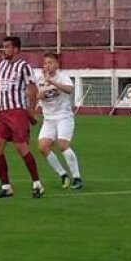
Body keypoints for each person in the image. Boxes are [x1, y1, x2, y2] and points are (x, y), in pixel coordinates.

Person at [0, 36, 43, 199]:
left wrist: (32, 111)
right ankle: (6, 186)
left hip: (17, 111)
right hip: (3, 111)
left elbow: (32, 89)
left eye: (8, 47)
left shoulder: (24, 66)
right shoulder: (2, 64)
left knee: (20, 146)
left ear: (16, 49)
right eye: (4, 46)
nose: (5, 50)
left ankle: (37, 183)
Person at [34, 53, 82, 190]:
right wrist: (38, 96)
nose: (47, 66)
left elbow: (69, 89)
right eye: (45, 63)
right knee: (43, 147)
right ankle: (63, 174)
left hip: (63, 116)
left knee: (62, 144)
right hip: (48, 119)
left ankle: (77, 177)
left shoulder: (62, 77)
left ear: (57, 64)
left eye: (50, 63)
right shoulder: (38, 78)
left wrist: (52, 82)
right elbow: (30, 93)